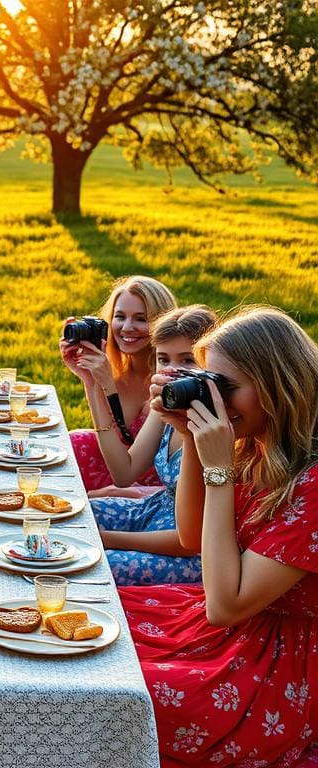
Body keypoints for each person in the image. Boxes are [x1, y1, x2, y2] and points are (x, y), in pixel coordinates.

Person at [120, 306, 318, 766]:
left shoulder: (312, 482)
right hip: (227, 633)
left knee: (122, 692)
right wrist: (190, 437)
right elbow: (192, 536)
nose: (215, 401)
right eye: (207, 383)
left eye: (225, 388)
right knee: (89, 624)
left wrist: (218, 471)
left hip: (276, 667)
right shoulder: (257, 442)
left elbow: (225, 605)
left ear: (278, 385)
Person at [90, 305, 217, 585]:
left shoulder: (217, 428)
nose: (172, 371)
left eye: (187, 360)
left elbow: (191, 540)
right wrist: (91, 384)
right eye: (163, 359)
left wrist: (107, 540)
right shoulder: (169, 406)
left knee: (97, 563)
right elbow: (125, 472)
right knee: (79, 513)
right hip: (153, 512)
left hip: (188, 550)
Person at [60, 274, 176, 493]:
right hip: (116, 465)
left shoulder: (166, 380)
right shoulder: (114, 372)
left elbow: (129, 470)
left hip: (151, 482)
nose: (127, 327)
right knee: (66, 447)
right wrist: (90, 381)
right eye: (120, 316)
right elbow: (111, 440)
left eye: (141, 319)